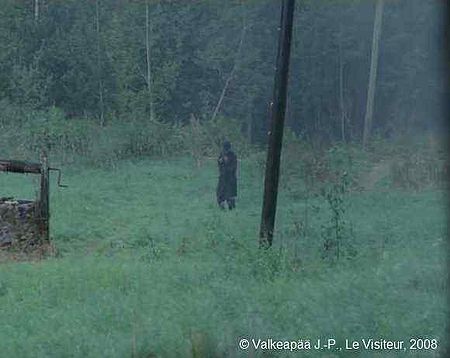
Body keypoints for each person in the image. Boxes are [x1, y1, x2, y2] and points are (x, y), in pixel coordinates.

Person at [216, 140, 237, 210]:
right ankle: (221, 206)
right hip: (223, 177)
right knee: (220, 192)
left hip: (230, 178)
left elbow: (233, 167)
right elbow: (219, 164)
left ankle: (231, 206)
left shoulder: (233, 155)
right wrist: (221, 161)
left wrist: (227, 162)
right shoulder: (222, 154)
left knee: (230, 193)